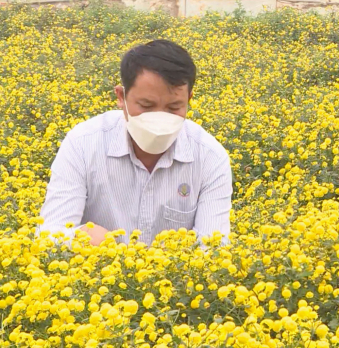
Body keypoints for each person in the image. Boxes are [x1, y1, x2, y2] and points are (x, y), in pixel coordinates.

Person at [37, 40, 232, 247]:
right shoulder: (83, 144)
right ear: (121, 97)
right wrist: (85, 241)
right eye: (146, 106)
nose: (159, 118)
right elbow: (51, 233)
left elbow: (212, 248)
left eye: (174, 107)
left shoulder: (209, 157)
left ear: (189, 99)